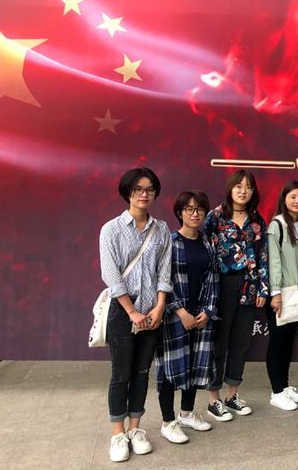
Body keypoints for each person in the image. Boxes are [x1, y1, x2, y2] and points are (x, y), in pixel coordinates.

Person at [99, 167, 171, 462]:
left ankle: (135, 429)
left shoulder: (162, 229)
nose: (144, 194)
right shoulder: (111, 229)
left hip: (152, 312)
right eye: (138, 189)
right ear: (127, 192)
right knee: (121, 374)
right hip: (122, 311)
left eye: (150, 189)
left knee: (142, 371)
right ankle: (118, 434)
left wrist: (159, 307)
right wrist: (131, 311)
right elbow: (110, 274)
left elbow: (164, 271)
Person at [203, 170, 268, 421]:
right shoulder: (216, 217)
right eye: (239, 186)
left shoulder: (257, 220)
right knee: (219, 343)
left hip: (249, 286)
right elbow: (206, 252)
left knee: (241, 342)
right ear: (230, 189)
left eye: (248, 187)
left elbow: (262, 255)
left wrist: (262, 288)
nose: (243, 191)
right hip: (222, 285)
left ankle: (232, 395)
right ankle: (214, 399)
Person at [156, 191, 218, 444]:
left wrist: (208, 311)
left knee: (194, 365)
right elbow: (162, 281)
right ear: (180, 212)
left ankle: (187, 414)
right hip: (174, 317)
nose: (195, 214)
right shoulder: (169, 242)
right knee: (170, 368)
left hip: (200, 315)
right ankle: (167, 422)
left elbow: (213, 279)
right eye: (189, 209)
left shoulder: (207, 243)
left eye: (200, 209)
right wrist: (180, 311)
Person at [265, 180, 298, 411]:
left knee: (287, 343)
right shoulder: (278, 225)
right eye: (293, 196)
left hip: (297, 292)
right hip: (281, 293)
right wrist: (275, 293)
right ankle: (276, 393)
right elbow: (274, 261)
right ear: (284, 199)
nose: (297, 201)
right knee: (277, 342)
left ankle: (284, 387)